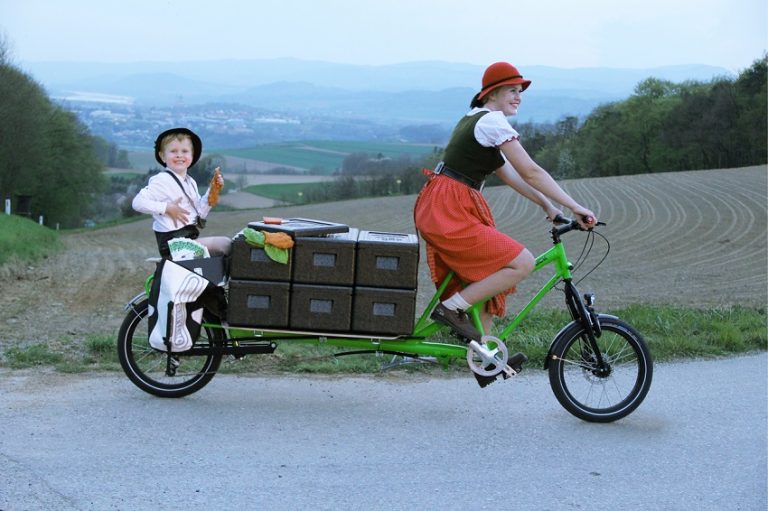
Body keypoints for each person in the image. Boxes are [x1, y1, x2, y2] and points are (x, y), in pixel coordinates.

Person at [414, 62, 597, 347]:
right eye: (512, 90)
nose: (518, 96)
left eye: (520, 91)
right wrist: (576, 206)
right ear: (491, 94)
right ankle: (450, 308)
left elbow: (509, 175)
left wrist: (547, 205)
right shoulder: (491, 121)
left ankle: (487, 355)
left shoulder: (476, 119)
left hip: (447, 203)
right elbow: (530, 171)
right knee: (521, 263)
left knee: (487, 279)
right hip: (448, 208)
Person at [132, 127, 231, 258]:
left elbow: (200, 213)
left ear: (192, 155)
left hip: (187, 241)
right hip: (173, 245)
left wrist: (213, 191)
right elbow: (137, 203)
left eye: (185, 151)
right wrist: (167, 208)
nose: (179, 155)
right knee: (225, 245)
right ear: (163, 156)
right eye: (173, 151)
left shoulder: (190, 182)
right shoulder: (162, 180)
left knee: (229, 245)